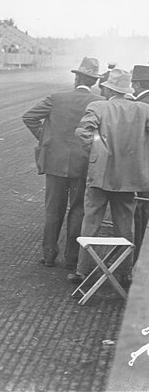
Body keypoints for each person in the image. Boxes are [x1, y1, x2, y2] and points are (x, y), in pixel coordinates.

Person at [69, 68, 149, 287]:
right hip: (130, 177)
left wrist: (99, 150)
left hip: (100, 175)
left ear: (107, 88)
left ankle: (82, 270)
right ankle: (125, 273)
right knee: (125, 226)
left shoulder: (98, 106)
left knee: (91, 221)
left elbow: (83, 132)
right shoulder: (143, 109)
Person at [22, 56, 102, 270]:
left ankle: (48, 256)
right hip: (83, 165)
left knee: (53, 210)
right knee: (78, 211)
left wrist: (45, 138)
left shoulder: (56, 98)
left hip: (55, 163)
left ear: (77, 79)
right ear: (93, 82)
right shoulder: (99, 103)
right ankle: (72, 259)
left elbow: (28, 117)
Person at [130, 64, 149, 263]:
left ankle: (135, 261)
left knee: (140, 214)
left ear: (136, 84)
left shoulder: (141, 104)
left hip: (141, 168)